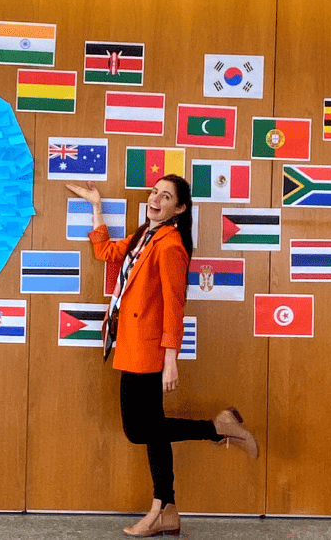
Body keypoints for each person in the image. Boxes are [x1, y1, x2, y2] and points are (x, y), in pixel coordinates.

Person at [66, 175, 259, 538]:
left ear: (179, 209)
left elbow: (175, 305)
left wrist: (171, 357)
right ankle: (165, 510)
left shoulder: (170, 245)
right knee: (154, 432)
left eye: (166, 196)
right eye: (155, 192)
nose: (156, 198)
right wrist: (96, 206)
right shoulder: (144, 236)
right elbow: (106, 252)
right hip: (129, 342)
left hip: (147, 349)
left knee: (139, 430)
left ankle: (217, 428)